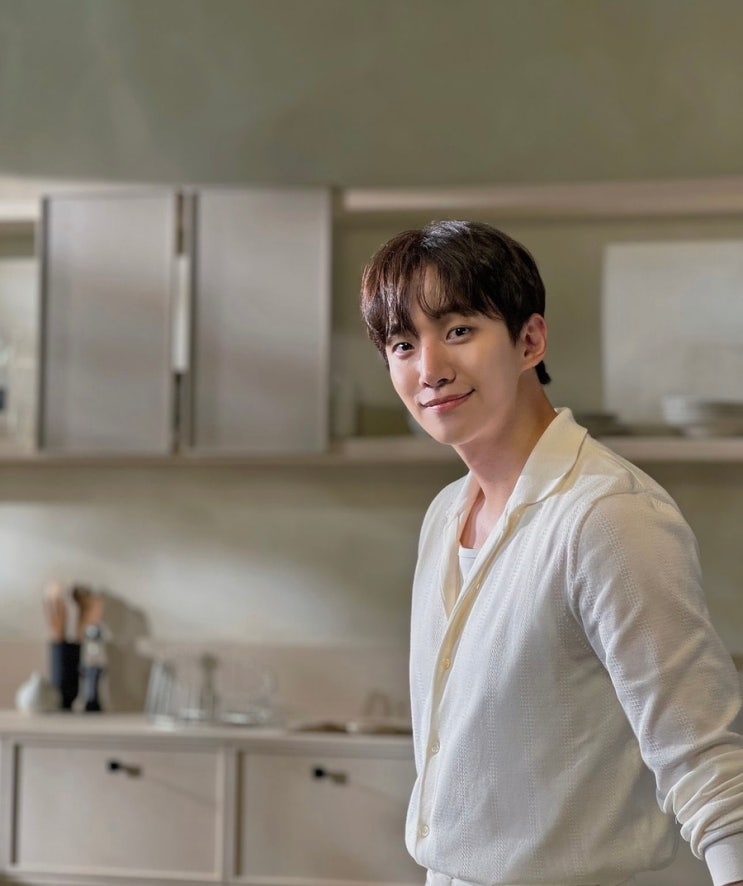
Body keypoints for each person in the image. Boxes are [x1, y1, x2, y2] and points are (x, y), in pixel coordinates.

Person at [359, 220, 743, 886]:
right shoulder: (445, 516)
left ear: (529, 340)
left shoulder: (606, 515)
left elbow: (703, 755)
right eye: (402, 344)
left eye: (458, 330)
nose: (429, 369)